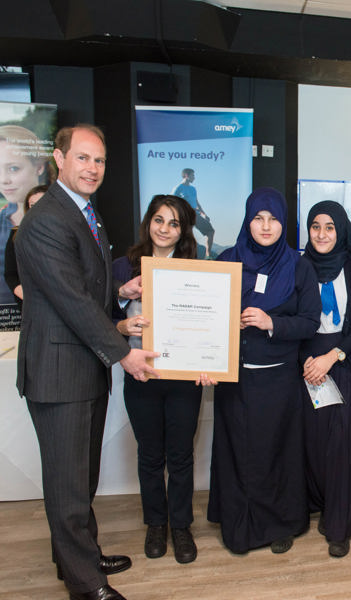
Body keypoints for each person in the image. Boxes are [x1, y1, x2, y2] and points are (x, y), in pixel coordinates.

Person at [15, 124, 159, 600]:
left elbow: (80, 287)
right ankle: (86, 585)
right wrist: (125, 355)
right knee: (68, 484)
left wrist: (120, 290)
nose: (92, 169)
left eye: (99, 161)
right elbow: (71, 300)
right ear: (59, 159)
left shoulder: (82, 212)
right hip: (60, 376)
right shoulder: (48, 219)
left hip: (81, 371)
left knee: (79, 478)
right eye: (82, 158)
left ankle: (77, 557)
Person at [208, 187, 320, 555]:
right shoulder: (227, 261)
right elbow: (206, 315)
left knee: (276, 454)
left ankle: (281, 524)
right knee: (237, 452)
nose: (266, 225)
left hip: (278, 380)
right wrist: (227, 324)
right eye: (258, 217)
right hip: (235, 380)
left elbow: (309, 322)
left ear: (284, 222)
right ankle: (238, 523)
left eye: (273, 218)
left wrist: (271, 321)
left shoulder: (299, 266)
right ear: (248, 220)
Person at [112, 194, 203, 565]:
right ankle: (155, 523)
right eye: (159, 220)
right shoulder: (122, 267)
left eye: (174, 223)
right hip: (141, 374)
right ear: (148, 222)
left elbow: (207, 324)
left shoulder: (196, 269)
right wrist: (122, 319)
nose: (165, 229)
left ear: (183, 232)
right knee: (150, 455)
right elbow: (101, 319)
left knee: (180, 455)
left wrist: (208, 359)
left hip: (183, 378)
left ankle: (180, 525)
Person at [300, 200, 351, 558]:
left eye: (330, 227)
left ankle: (340, 525)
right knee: (312, 444)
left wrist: (333, 356)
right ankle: (315, 505)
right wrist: (310, 362)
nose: (322, 234)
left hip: (344, 361)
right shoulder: (298, 267)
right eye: (315, 226)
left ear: (341, 229)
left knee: (343, 445)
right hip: (306, 364)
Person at [0, 125, 52, 304]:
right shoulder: (14, 233)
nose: (4, 180)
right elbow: (11, 275)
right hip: (25, 313)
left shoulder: (67, 235)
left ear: (39, 167)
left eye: (13, 168)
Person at [4, 183, 47, 306]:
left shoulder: (65, 234)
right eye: (32, 205)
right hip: (30, 307)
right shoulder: (16, 235)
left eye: (41, 203)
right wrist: (29, 297)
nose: (36, 209)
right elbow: (11, 275)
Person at [172, 167, 215, 258]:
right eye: (193, 175)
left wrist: (204, 214)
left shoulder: (193, 189)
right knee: (188, 238)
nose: (194, 178)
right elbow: (171, 203)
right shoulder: (178, 188)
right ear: (187, 176)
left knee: (210, 231)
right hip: (184, 216)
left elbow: (196, 202)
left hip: (195, 214)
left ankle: (208, 256)